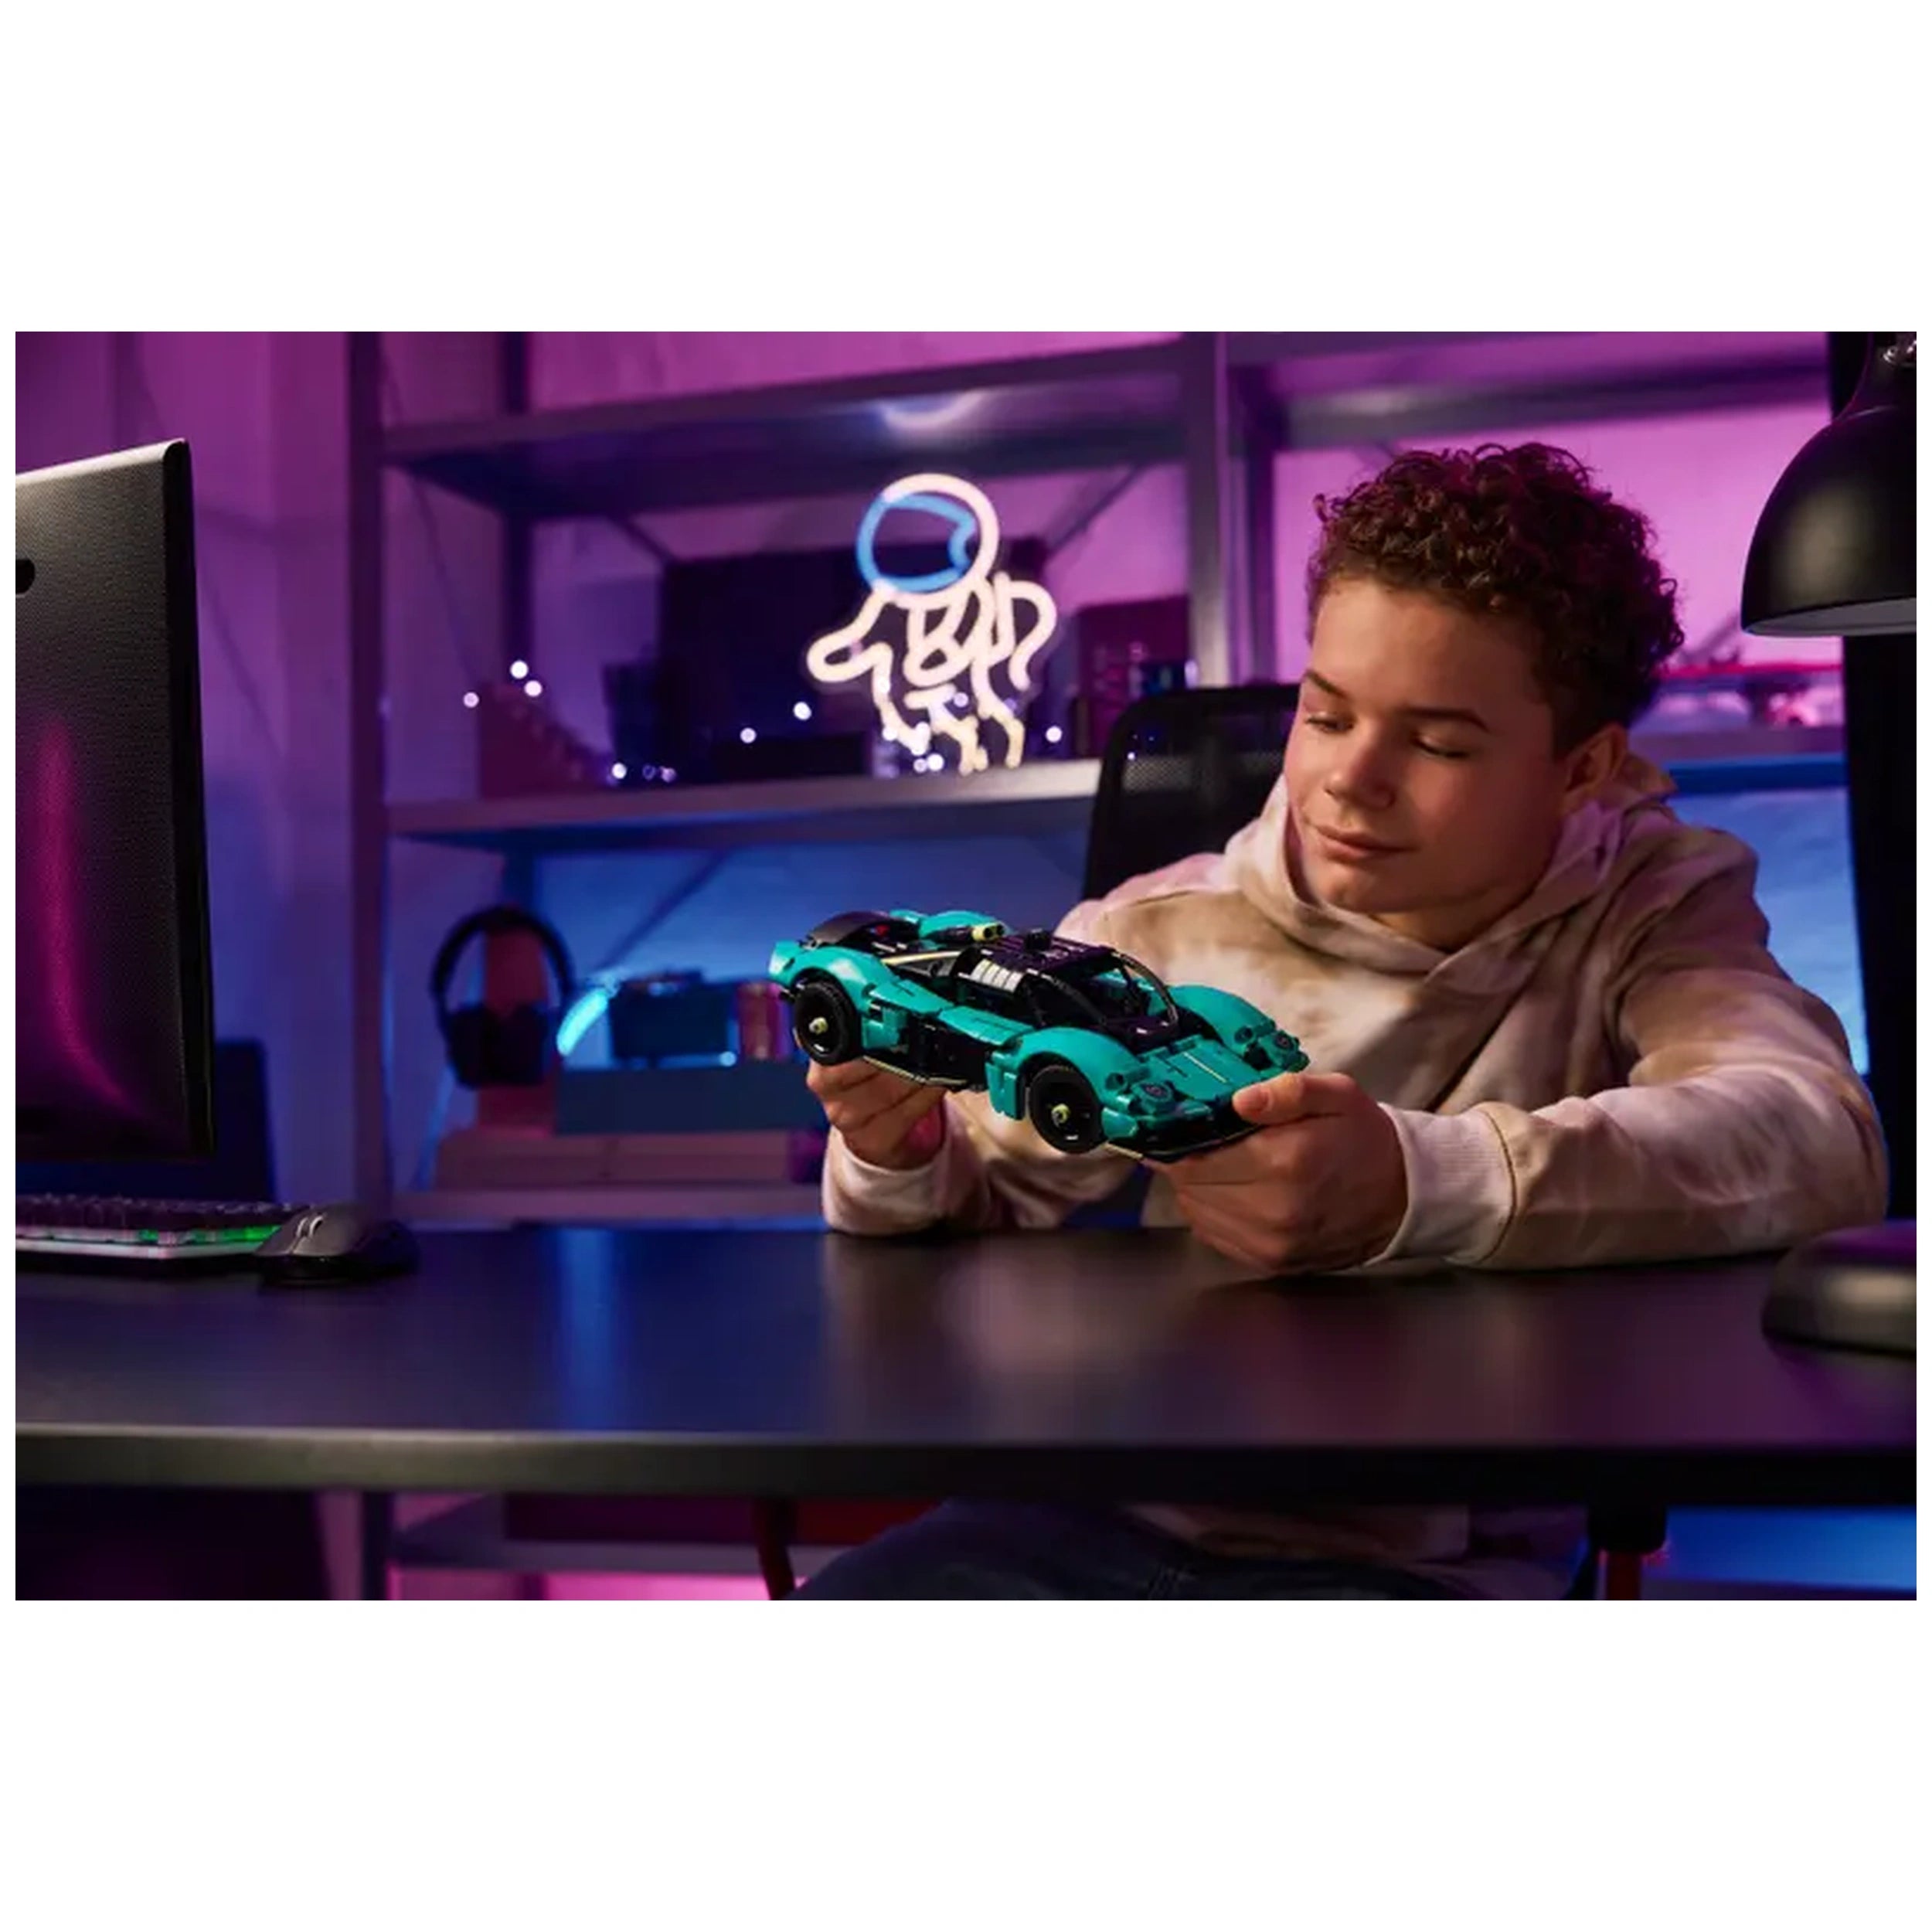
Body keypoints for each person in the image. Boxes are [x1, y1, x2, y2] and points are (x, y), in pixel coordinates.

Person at [793, 441, 1888, 1600]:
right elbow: (980, 1198)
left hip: (1424, 1568)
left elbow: (1818, 1135)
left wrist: (1419, 1182)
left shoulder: (1650, 905)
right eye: (1326, 714)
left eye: (1439, 742)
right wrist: (897, 1152)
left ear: (1584, 769)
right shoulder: (1157, 931)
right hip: (1087, 1508)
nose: (1348, 783)